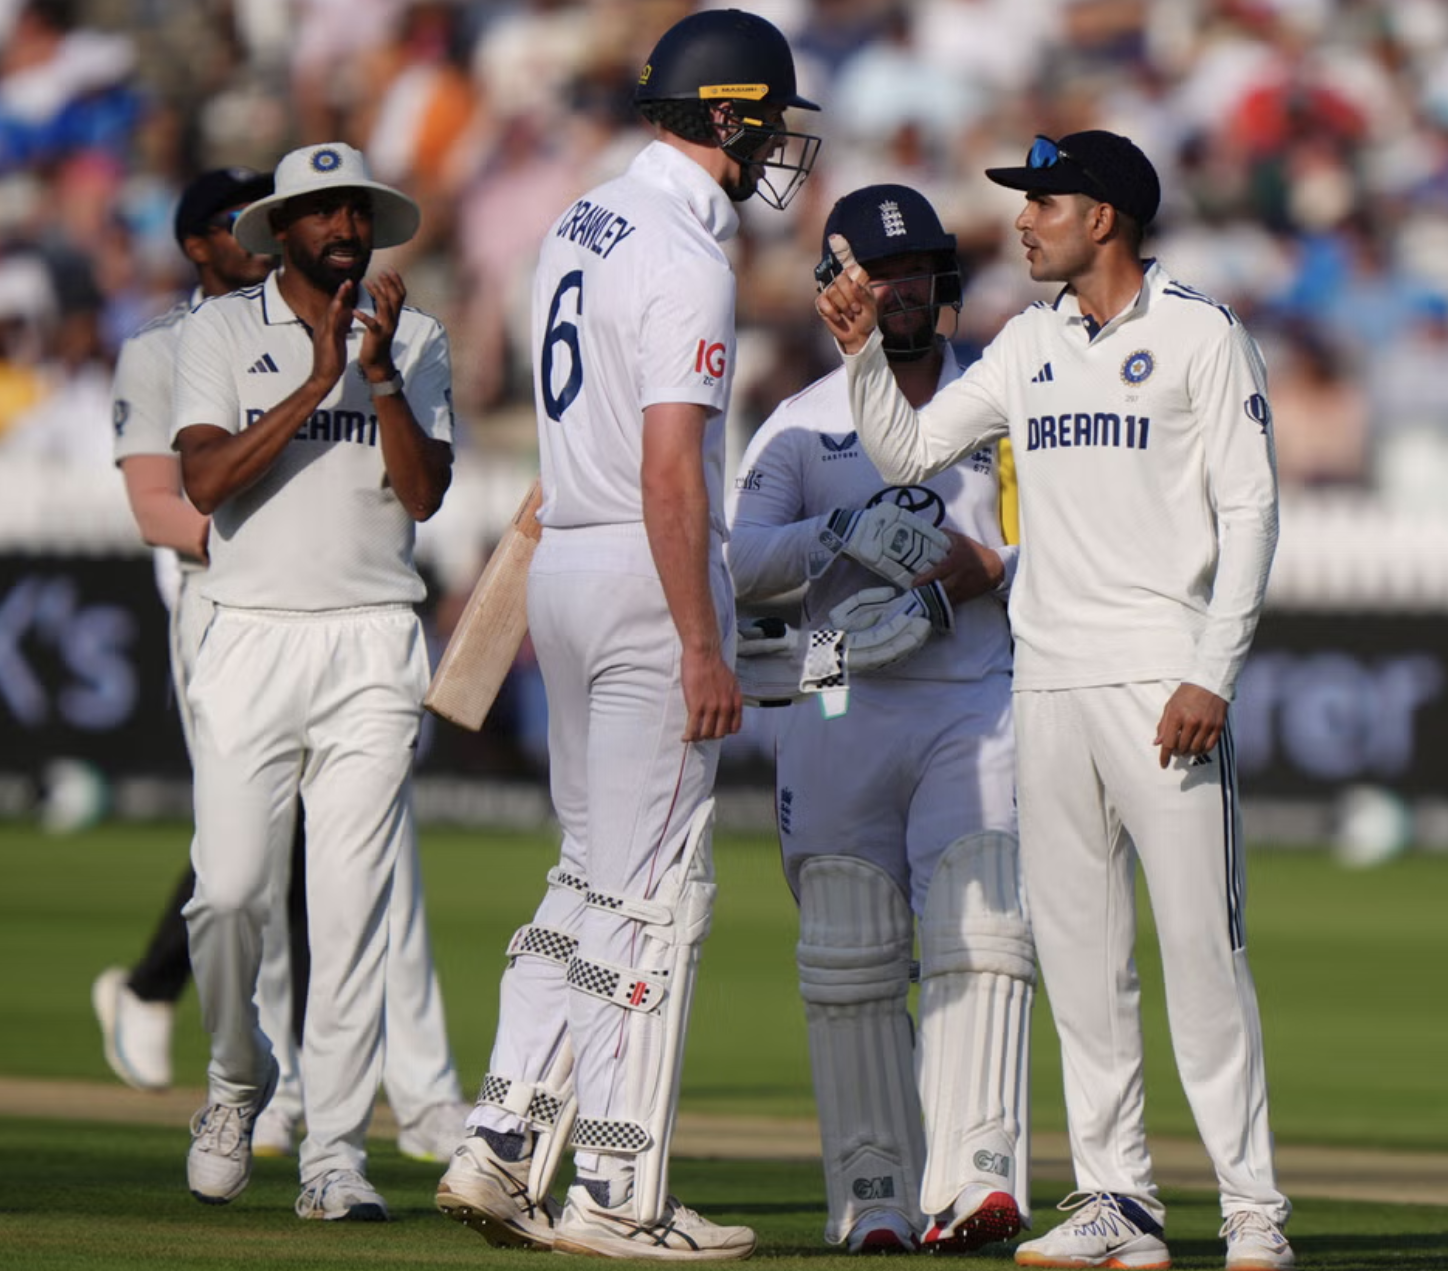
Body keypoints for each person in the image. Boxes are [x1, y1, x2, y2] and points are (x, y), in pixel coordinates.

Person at [816, 131, 1294, 1271]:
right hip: (1047, 682)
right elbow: (911, 452)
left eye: (1043, 201)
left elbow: (1252, 516)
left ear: (1106, 218)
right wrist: (860, 359)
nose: (1021, 221)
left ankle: (1251, 1214)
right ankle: (1116, 1202)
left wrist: (1207, 673)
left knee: (1200, 955)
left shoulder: (1198, 332)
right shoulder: (1026, 344)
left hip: (1157, 678)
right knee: (1081, 962)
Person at [435, 8, 821, 1260]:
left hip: (564, 557)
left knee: (587, 874)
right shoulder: (682, 253)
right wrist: (704, 643)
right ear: (721, 118)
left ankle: (504, 1137)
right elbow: (672, 470)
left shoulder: (577, 218)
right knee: (653, 893)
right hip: (646, 574)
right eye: (763, 122)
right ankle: (617, 1188)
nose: (774, 147)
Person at [100, 166, 470, 1168]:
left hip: (368, 634)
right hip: (241, 626)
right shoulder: (204, 338)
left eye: (360, 211)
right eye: (325, 211)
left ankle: (338, 1151)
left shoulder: (418, 336)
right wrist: (316, 379)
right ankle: (237, 1078)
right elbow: (199, 485)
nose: (347, 227)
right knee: (230, 891)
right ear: (279, 231)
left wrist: (377, 373)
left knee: (354, 906)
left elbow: (425, 495)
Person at [726, 183, 1034, 1256]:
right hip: (840, 697)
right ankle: (874, 1194)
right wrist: (845, 531)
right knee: (849, 946)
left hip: (972, 700)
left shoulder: (996, 401)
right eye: (876, 271)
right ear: (832, 285)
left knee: (982, 922)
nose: (899, 290)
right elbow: (745, 564)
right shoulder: (801, 422)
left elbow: (1064, 539)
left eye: (915, 270)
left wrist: (981, 574)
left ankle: (977, 1176)